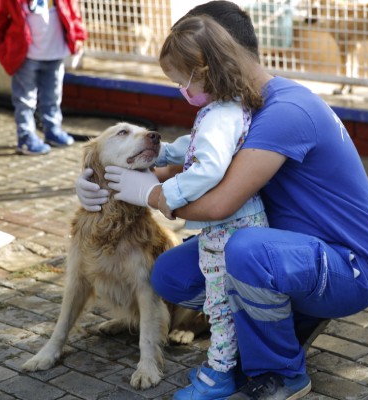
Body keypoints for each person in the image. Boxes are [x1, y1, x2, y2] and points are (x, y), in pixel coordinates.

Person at [77, 2, 368, 399]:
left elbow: (219, 204)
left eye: (185, 76)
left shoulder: (285, 111)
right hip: (293, 247)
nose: (183, 89)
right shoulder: (240, 106)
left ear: (211, 59)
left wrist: (152, 195)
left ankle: (281, 374)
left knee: (242, 251)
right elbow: (185, 166)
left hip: (350, 265)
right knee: (171, 273)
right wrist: (99, 181)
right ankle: (286, 320)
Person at [145, 15, 269, 399]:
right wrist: (166, 152)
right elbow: (198, 144)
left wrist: (169, 192)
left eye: (182, 81)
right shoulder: (229, 106)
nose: (181, 89)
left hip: (229, 232)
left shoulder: (218, 115)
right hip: (240, 225)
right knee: (230, 302)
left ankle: (219, 375)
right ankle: (234, 363)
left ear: (205, 72)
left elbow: (210, 165)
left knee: (219, 308)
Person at [0, 0, 87, 156]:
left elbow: (72, 12)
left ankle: (52, 130)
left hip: (55, 53)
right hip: (25, 56)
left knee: (52, 96)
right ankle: (26, 138)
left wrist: (78, 35)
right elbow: (1, 17)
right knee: (25, 100)